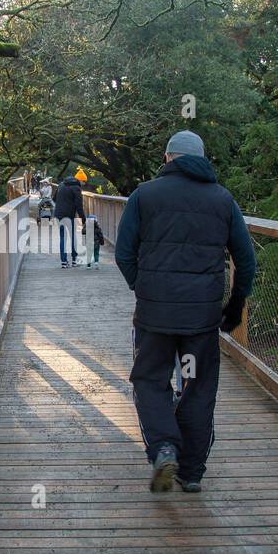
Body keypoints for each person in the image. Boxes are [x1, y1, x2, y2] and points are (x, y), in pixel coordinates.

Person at [114, 130, 257, 493]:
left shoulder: (143, 196)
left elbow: (123, 252)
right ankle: (191, 472)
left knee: (150, 379)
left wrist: (143, 287)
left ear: (167, 158)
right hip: (201, 318)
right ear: (202, 159)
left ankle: (163, 446)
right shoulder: (223, 200)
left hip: (154, 317)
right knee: (197, 384)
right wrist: (234, 307)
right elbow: (246, 260)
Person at [53, 172, 85, 268]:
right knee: (73, 237)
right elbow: (79, 206)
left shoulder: (61, 185)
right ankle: (74, 261)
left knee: (63, 237)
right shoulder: (76, 188)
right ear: (79, 180)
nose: (84, 184)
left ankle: (63, 261)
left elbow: (54, 199)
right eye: (84, 181)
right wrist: (83, 220)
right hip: (69, 216)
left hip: (59, 215)